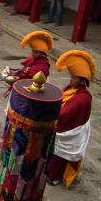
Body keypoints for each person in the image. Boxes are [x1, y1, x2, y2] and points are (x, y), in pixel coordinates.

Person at [47, 50, 95, 188]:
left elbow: (65, 115)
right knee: (53, 154)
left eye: (73, 78)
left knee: (59, 156)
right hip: (63, 127)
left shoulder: (82, 98)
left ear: (82, 81)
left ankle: (55, 177)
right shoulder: (71, 88)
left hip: (69, 132)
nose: (70, 80)